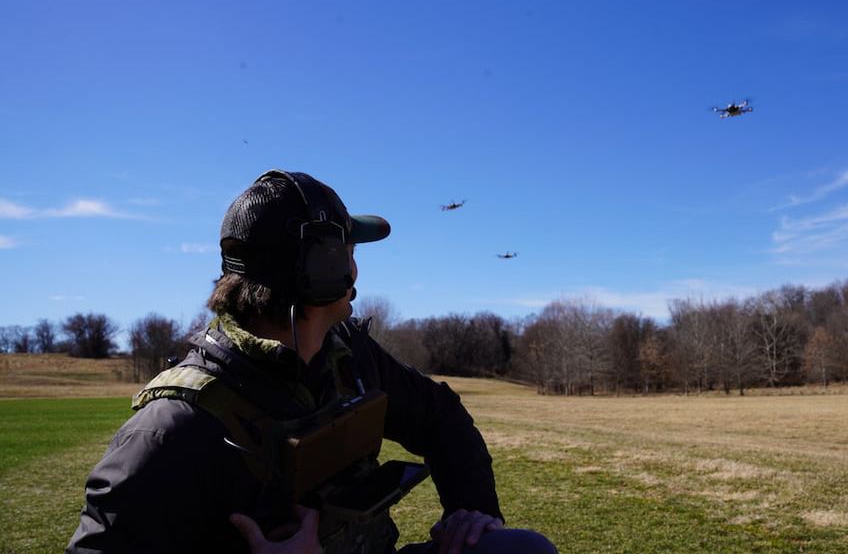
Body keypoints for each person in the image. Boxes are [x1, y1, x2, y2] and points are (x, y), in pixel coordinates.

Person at [67, 169, 556, 554]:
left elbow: (442, 418)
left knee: (521, 550)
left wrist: (470, 515)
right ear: (323, 268)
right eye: (348, 250)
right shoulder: (171, 431)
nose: (357, 267)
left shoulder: (349, 357)